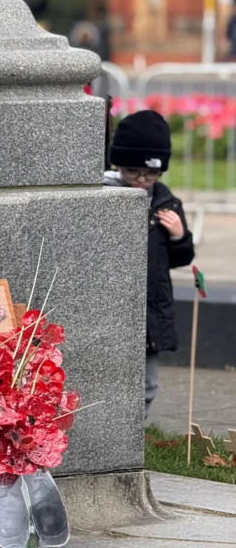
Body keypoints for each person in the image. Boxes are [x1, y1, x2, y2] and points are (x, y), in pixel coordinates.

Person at [105, 111, 195, 416]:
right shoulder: (106, 194)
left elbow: (182, 258)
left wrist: (179, 235)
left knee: (148, 381)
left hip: (152, 305)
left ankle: (139, 425)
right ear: (118, 164)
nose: (142, 180)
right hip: (114, 300)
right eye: (133, 172)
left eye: (150, 174)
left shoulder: (166, 203)